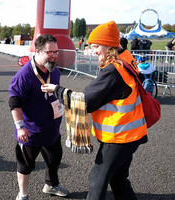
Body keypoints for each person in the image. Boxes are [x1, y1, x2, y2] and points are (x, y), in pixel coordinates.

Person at [41, 21, 148, 200]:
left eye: (97, 46)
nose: (93, 51)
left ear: (110, 46)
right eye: (92, 46)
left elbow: (85, 102)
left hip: (120, 136)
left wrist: (57, 90)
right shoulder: (126, 57)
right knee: (118, 178)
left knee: (97, 180)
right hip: (132, 132)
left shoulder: (113, 70)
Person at [9, 34, 69, 200]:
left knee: (54, 160)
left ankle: (50, 185)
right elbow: (14, 102)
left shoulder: (54, 70)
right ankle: (22, 194)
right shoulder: (24, 75)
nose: (54, 56)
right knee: (25, 165)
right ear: (38, 51)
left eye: (56, 52)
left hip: (51, 129)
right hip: (31, 132)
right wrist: (20, 127)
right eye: (50, 52)